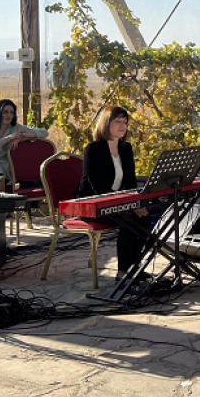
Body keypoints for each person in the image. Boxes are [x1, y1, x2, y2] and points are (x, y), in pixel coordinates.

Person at [75, 106, 150, 280]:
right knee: (129, 218)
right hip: (93, 204)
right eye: (118, 121)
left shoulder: (126, 148)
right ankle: (122, 272)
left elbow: (130, 183)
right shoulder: (93, 149)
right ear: (106, 123)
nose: (123, 125)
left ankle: (134, 267)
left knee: (144, 217)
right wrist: (128, 206)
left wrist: (135, 203)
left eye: (125, 122)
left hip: (118, 203)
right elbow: (98, 189)